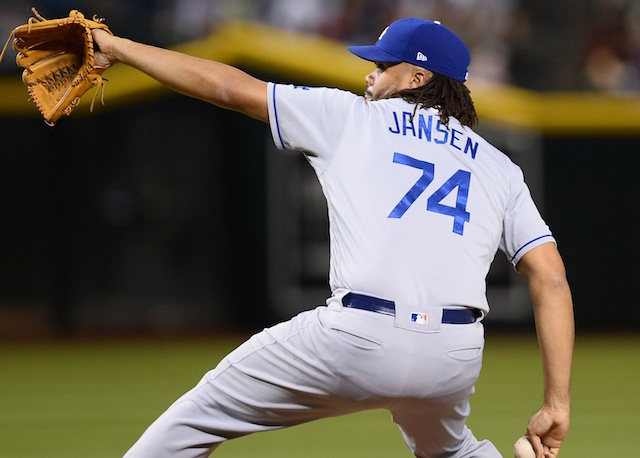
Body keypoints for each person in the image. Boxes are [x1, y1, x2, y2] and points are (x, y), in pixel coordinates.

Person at [93, 17, 574, 458]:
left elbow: (226, 88)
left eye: (383, 65)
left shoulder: (349, 116)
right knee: (450, 451)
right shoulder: (499, 166)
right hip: (452, 355)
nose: (369, 74)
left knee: (195, 417)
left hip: (357, 337)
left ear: (417, 78)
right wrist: (557, 403)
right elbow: (550, 279)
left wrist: (120, 47)